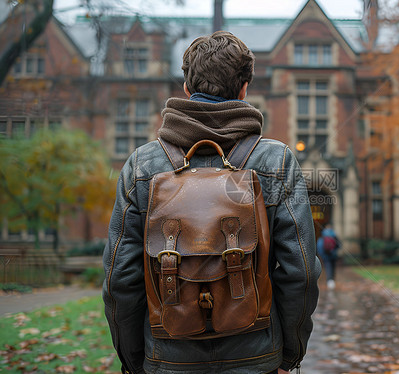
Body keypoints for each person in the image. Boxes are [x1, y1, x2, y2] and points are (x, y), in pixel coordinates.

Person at [102, 31, 321, 374]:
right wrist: (289, 355)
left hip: (167, 358)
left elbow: (120, 278)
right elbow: (301, 271)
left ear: (187, 87)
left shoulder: (142, 165)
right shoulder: (275, 160)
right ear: (245, 88)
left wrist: (134, 360)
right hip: (256, 356)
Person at [317, 225, 340, 290]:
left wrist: (321, 255)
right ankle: (332, 280)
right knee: (333, 267)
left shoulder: (323, 235)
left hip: (325, 256)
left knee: (328, 267)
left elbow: (319, 246)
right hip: (333, 255)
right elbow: (338, 245)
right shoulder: (334, 235)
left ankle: (329, 281)